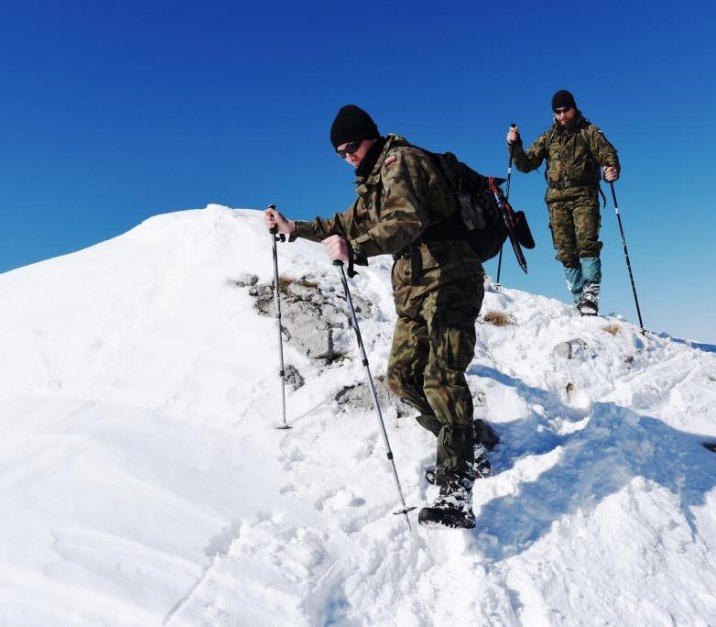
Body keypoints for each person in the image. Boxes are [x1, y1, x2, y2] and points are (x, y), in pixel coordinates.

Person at [265, 104, 488, 529]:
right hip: (415, 289)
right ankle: (463, 442)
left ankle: (456, 488)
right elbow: (342, 222)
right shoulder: (373, 183)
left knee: (442, 377)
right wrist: (295, 227)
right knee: (402, 380)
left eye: (352, 146)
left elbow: (408, 219)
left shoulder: (401, 162)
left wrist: (359, 248)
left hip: (450, 281)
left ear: (371, 136)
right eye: (340, 153)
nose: (348, 156)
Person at [507, 89, 621, 316]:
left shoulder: (588, 131)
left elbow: (608, 154)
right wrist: (515, 145)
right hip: (556, 199)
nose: (562, 116)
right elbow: (526, 164)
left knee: (586, 242)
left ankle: (591, 294)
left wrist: (612, 168)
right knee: (565, 250)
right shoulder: (548, 137)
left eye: (565, 110)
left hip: (584, 196)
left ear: (573, 107)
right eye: (557, 112)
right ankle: (580, 299)